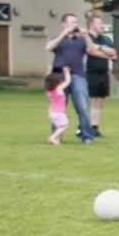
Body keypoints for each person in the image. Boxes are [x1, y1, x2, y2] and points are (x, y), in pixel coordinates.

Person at [45, 13, 95, 144]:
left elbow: (91, 50)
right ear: (64, 24)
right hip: (59, 76)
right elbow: (48, 47)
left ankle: (86, 136)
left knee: (83, 106)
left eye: (76, 22)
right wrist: (63, 34)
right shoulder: (58, 38)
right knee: (59, 107)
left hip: (78, 74)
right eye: (72, 22)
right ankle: (56, 136)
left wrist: (86, 36)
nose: (75, 25)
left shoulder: (82, 39)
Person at [85, 14, 118, 136]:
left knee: (100, 101)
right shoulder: (86, 37)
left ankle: (95, 127)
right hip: (90, 73)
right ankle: (85, 126)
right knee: (91, 100)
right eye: (99, 23)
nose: (101, 26)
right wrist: (104, 51)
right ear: (92, 25)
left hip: (103, 73)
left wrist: (99, 48)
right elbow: (90, 51)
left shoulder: (105, 39)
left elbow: (114, 54)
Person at [45, 68, 70, 145]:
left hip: (51, 112)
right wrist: (67, 72)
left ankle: (56, 140)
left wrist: (49, 71)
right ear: (56, 82)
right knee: (65, 125)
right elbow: (68, 81)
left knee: (58, 126)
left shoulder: (49, 91)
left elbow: (48, 79)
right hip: (59, 112)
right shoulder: (59, 88)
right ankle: (52, 137)